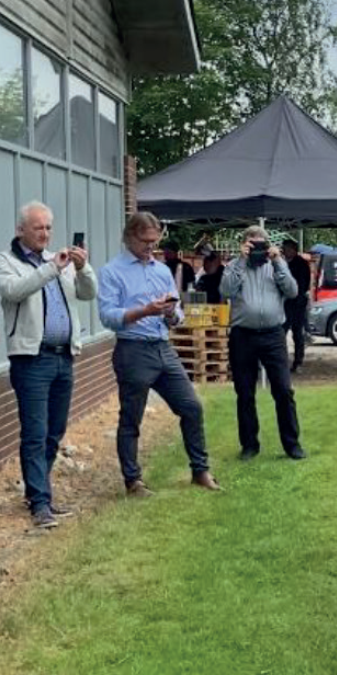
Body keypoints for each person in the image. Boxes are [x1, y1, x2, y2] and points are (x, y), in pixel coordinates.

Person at [0, 202, 97, 529]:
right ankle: (40, 503)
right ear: (20, 229)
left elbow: (88, 293)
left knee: (54, 431)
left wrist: (83, 267)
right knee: (35, 433)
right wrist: (52, 268)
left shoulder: (59, 261)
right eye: (38, 227)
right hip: (32, 359)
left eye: (48, 227)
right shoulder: (5, 261)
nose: (45, 233)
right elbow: (14, 291)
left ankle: (39, 493)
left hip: (64, 356)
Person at [98, 212, 220, 496]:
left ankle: (200, 471)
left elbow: (177, 311)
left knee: (191, 407)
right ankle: (133, 481)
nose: (151, 247)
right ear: (130, 237)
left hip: (163, 346)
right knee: (132, 417)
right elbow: (108, 316)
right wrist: (144, 311)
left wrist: (171, 314)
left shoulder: (162, 270)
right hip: (133, 349)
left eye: (155, 241)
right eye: (145, 241)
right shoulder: (112, 271)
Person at [221, 226, 306, 461]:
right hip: (243, 335)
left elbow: (293, 291)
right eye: (252, 244)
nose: (256, 249)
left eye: (260, 244)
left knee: (284, 390)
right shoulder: (234, 265)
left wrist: (278, 261)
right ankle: (249, 445)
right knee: (245, 392)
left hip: (273, 334)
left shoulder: (276, 264)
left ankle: (292, 444)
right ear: (244, 245)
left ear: (268, 245)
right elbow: (225, 290)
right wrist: (241, 260)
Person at [281, 239, 312, 373]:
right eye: (284, 249)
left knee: (298, 333)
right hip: (284, 303)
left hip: (298, 303)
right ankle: (281, 360)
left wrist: (298, 296)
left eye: (287, 249)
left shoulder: (301, 264)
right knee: (281, 333)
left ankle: (298, 361)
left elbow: (304, 283)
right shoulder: (281, 262)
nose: (285, 251)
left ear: (293, 250)